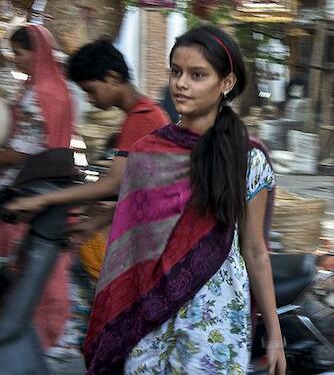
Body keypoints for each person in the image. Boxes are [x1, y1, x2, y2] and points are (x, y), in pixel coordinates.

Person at [84, 25, 286, 374]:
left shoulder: (248, 158)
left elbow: (254, 250)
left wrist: (274, 332)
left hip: (215, 314)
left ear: (226, 82)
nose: (181, 83)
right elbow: (132, 243)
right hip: (149, 310)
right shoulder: (147, 153)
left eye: (197, 75)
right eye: (176, 72)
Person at [0, 24, 74, 359]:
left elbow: (23, 153)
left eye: (19, 53)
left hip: (23, 195)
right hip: (49, 194)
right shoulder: (56, 90)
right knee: (40, 268)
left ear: (37, 52)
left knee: (16, 270)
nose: (16, 60)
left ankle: (11, 338)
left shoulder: (38, 95)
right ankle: (39, 336)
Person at [6, 39, 169, 236]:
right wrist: (98, 220)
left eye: (91, 90)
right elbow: (140, 189)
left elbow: (114, 183)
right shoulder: (146, 113)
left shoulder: (142, 118)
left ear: (113, 77)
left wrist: (42, 199)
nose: (89, 99)